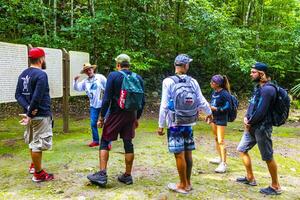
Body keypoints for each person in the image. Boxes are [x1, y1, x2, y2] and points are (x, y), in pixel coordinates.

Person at [157, 54, 212, 194]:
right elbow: (201, 100)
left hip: (174, 123)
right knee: (188, 153)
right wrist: (209, 113)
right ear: (185, 65)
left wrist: (161, 124)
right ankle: (188, 183)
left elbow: (164, 105)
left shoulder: (168, 81)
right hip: (189, 122)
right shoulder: (193, 81)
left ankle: (182, 185)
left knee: (179, 155)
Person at [87, 54, 145, 186]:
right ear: (129, 65)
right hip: (130, 115)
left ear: (118, 65)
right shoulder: (138, 78)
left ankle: (102, 174)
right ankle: (127, 176)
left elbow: (106, 98)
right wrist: (136, 118)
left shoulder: (113, 76)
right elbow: (143, 101)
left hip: (115, 114)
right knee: (128, 143)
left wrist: (102, 117)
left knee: (105, 141)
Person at [236, 62, 282, 195]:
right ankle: (250, 178)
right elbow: (252, 104)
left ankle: (275, 186)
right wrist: (246, 117)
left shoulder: (269, 89)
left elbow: (262, 111)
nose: (251, 74)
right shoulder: (258, 87)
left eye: (253, 72)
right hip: (251, 126)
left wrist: (250, 121)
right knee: (242, 149)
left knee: (268, 156)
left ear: (262, 74)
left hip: (262, 128)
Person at [15, 48, 54, 182]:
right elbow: (37, 97)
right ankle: (38, 174)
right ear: (41, 59)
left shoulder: (23, 74)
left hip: (30, 114)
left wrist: (27, 109)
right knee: (38, 144)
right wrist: (31, 113)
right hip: (40, 115)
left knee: (33, 142)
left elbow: (18, 95)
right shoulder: (41, 75)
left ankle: (34, 165)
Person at [73, 63, 108, 147]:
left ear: (93, 69)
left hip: (103, 104)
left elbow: (108, 87)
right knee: (93, 123)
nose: (88, 71)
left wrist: (108, 100)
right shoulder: (85, 82)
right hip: (93, 105)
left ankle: (107, 142)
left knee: (106, 123)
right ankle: (96, 140)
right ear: (85, 72)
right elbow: (77, 88)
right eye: (86, 70)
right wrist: (75, 81)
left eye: (89, 69)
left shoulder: (100, 77)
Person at [209, 75, 232, 173]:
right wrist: (209, 115)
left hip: (221, 119)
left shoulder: (225, 94)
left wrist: (216, 109)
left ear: (217, 84)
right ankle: (219, 158)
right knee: (216, 139)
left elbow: (228, 107)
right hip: (214, 118)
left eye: (212, 82)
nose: (210, 83)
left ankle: (223, 163)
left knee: (221, 140)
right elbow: (211, 105)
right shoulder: (214, 92)